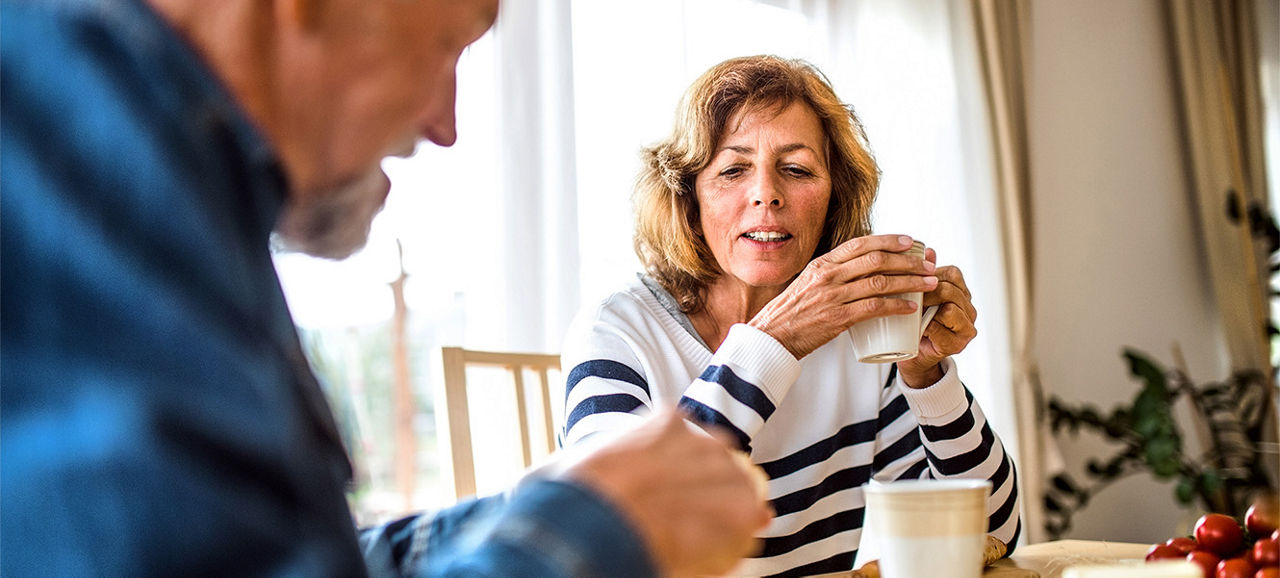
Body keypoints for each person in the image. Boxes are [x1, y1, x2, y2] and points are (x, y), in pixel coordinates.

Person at [0, 0, 772, 576]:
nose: (446, 125)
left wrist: (535, 513)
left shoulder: (162, 171)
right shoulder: (59, 149)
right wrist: (596, 534)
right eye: (447, 45)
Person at [560, 55, 1022, 576]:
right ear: (687, 197)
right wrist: (777, 339)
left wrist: (928, 375)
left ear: (834, 196)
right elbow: (607, 545)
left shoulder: (862, 338)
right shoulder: (619, 330)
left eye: (797, 169)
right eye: (733, 169)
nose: (766, 194)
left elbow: (992, 533)